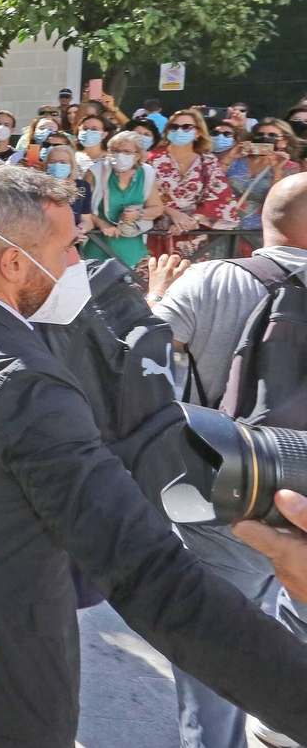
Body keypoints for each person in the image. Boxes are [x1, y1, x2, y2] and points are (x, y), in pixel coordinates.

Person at [0, 164, 307, 747]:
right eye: (71, 246)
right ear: (14, 264)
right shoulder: (28, 386)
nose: (82, 263)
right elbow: (150, 575)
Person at [149, 172, 307, 748]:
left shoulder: (211, 281)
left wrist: (155, 299)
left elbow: (139, 365)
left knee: (213, 647)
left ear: (266, 220)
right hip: (304, 497)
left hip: (227, 494)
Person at [147, 110, 240, 258]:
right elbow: (138, 192)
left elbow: (220, 196)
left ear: (198, 132)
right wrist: (171, 212)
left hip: (193, 236)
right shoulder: (150, 159)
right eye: (174, 127)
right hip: (154, 232)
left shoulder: (207, 161)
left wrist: (192, 220)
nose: (179, 130)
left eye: (186, 127)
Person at [83, 130, 164, 269]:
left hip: (131, 248)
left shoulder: (147, 173)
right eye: (114, 150)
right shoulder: (95, 172)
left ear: (138, 155)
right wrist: (102, 224)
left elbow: (157, 208)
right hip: (98, 246)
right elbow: (82, 208)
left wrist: (139, 214)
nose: (120, 155)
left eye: (127, 151)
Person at [225, 118, 302, 232]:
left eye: (272, 135)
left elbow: (281, 203)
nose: (265, 138)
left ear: (284, 141)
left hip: (258, 231)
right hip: (224, 226)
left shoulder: (289, 167)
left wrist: (277, 172)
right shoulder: (237, 159)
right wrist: (228, 158)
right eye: (259, 134)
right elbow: (213, 184)